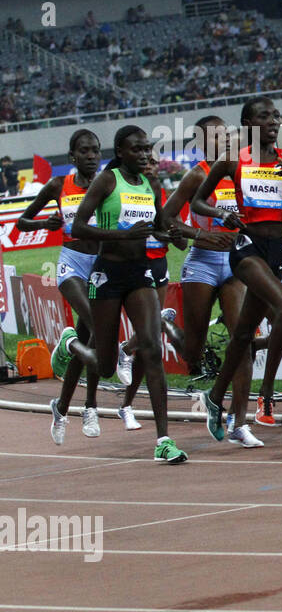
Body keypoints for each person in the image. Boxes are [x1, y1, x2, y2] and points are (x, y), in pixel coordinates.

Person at [191, 97, 282, 439]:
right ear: (247, 123)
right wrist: (221, 214)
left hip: (278, 251)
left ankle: (214, 398)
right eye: (264, 116)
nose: (273, 121)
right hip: (247, 249)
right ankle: (266, 396)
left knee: (242, 334)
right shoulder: (231, 160)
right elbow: (198, 200)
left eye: (276, 116)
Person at [50, 125, 187, 464]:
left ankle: (164, 441)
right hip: (105, 276)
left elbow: (156, 227)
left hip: (138, 275)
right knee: (107, 366)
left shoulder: (150, 185)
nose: (144, 154)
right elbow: (78, 226)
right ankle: (71, 345)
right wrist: (122, 236)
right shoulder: (107, 181)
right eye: (137, 149)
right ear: (121, 153)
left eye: (148, 149)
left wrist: (179, 235)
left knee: (152, 348)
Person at [157, 116, 263, 447]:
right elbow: (166, 218)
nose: (225, 142)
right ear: (203, 143)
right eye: (216, 138)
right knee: (193, 352)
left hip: (235, 263)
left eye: (227, 136)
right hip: (202, 262)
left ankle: (239, 423)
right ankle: (168, 326)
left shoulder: (243, 171)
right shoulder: (199, 175)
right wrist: (201, 233)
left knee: (242, 340)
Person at [16, 130, 104, 443]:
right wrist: (45, 224)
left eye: (95, 150)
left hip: (100, 267)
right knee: (97, 327)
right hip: (71, 264)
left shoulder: (107, 183)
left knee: (88, 340)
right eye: (84, 151)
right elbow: (21, 223)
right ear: (72, 157)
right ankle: (91, 405)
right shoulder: (58, 185)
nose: (91, 156)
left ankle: (63, 406)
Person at [116, 155, 186, 422]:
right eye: (143, 162)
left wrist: (176, 236)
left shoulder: (164, 195)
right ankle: (124, 354)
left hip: (159, 266)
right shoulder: (125, 191)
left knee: (150, 339)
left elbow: (176, 238)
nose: (149, 166)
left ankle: (126, 404)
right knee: (150, 335)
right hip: (133, 266)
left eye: (153, 162)